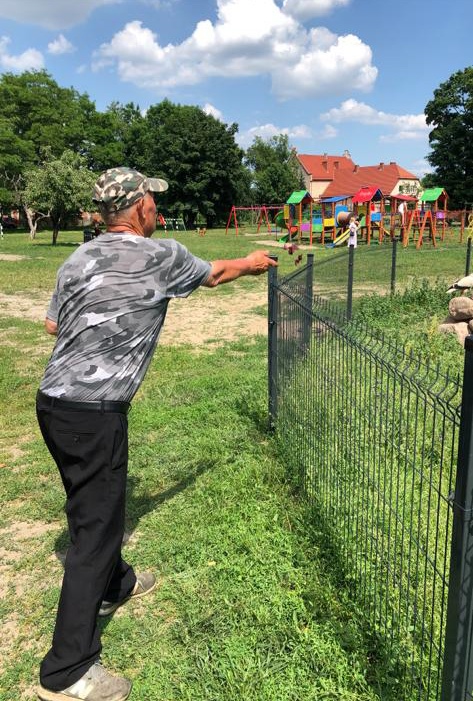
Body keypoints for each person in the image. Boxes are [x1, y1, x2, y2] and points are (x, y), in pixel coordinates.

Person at [35, 167, 277, 701]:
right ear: (140, 207)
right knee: (96, 532)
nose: (156, 208)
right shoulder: (160, 255)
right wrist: (254, 262)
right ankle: (67, 670)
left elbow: (53, 325)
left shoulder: (78, 257)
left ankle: (115, 586)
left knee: (91, 503)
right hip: (93, 411)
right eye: (152, 200)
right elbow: (215, 274)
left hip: (53, 404)